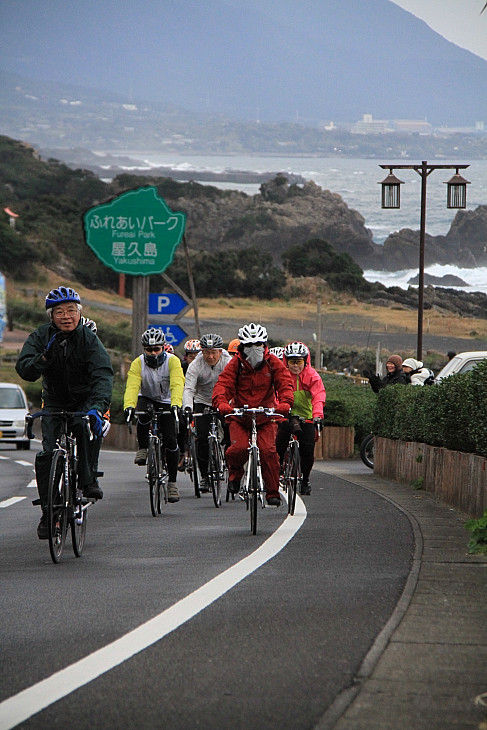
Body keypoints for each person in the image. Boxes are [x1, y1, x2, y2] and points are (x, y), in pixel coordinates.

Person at [15, 286, 113, 539]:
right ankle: (49, 512)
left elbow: (103, 374)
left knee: (87, 427)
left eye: (71, 310)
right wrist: (44, 358)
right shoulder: (40, 335)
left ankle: (89, 479)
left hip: (85, 398)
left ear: (79, 313)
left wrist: (97, 408)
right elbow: (25, 370)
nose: (66, 316)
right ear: (51, 316)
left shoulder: (89, 339)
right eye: (59, 312)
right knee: (48, 453)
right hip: (55, 400)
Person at [212, 322, 294, 506]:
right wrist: (222, 403)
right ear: (242, 346)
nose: (254, 349)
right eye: (249, 345)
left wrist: (285, 403)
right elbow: (223, 385)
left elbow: (285, 384)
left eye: (258, 344)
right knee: (237, 449)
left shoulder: (273, 362)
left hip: (266, 416)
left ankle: (272, 492)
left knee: (269, 452)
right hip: (240, 416)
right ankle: (235, 473)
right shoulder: (236, 364)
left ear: (264, 344)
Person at [123, 328, 184, 503]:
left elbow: (178, 384)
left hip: (167, 400)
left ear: (163, 348)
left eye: (157, 349)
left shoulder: (173, 361)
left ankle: (172, 484)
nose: (153, 353)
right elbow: (133, 386)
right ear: (144, 349)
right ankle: (143, 447)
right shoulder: (138, 363)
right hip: (147, 396)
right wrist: (129, 406)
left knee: (171, 441)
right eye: (149, 350)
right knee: (142, 415)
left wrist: (176, 405)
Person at [182, 333, 232, 491]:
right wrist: (188, 407)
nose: (210, 356)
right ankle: (204, 476)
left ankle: (232, 469)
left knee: (231, 433)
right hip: (202, 400)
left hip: (224, 400)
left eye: (214, 352)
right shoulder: (195, 365)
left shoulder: (228, 361)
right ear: (201, 352)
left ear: (220, 351)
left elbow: (236, 384)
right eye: (206, 352)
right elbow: (188, 389)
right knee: (202, 439)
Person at [276, 341, 326, 495]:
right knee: (279, 445)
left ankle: (305, 479)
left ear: (306, 361)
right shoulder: (282, 375)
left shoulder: (312, 376)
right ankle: (277, 473)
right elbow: (275, 395)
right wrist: (277, 410)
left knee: (307, 450)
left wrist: (317, 415)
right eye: (291, 362)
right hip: (286, 415)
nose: (295, 366)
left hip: (307, 417)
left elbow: (318, 396)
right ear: (286, 361)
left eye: (299, 362)